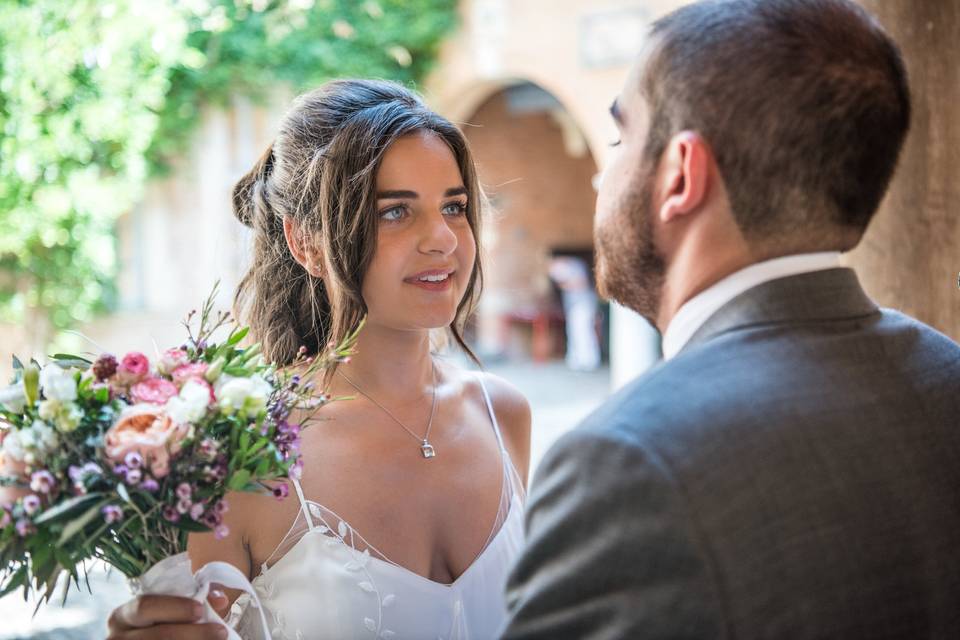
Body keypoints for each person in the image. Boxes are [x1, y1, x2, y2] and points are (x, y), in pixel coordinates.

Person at [501, 0, 960, 638]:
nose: (600, 180)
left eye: (619, 138)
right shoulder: (948, 373)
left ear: (681, 176)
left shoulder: (627, 460)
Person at [105, 79, 530, 639]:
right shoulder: (246, 455)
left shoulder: (504, 417)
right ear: (305, 241)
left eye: (454, 206)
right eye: (394, 212)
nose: (443, 240)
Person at [548, 255, 600, 372]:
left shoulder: (576, 268)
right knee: (574, 332)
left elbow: (581, 284)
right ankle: (576, 360)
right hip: (574, 307)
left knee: (584, 332)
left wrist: (565, 285)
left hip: (583, 305)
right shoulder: (571, 268)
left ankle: (588, 361)